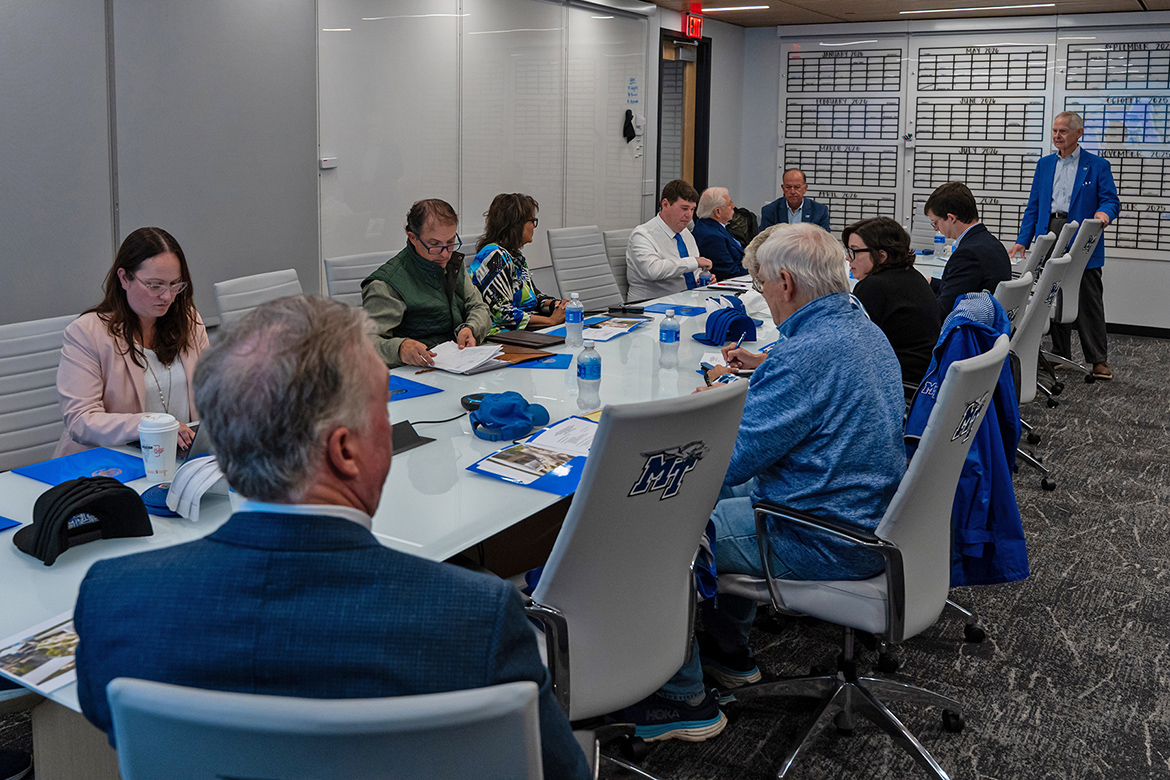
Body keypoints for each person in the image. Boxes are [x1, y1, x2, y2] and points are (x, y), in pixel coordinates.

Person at [73, 295, 590, 780]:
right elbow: (556, 771)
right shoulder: (478, 620)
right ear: (344, 452)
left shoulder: (113, 601)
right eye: (383, 412)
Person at [611, 224, 906, 741]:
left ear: (786, 283)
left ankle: (684, 698)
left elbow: (728, 461)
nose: (761, 296)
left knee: (664, 525)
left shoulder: (804, 356)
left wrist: (649, 449)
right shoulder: (857, 326)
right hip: (869, 512)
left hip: (822, 534)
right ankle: (731, 652)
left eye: (761, 283)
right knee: (720, 499)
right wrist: (765, 377)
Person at [54, 227, 209, 458]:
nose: (167, 296)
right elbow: (80, 420)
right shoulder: (87, 333)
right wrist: (153, 425)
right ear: (124, 278)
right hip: (111, 464)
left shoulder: (188, 320)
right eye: (155, 285)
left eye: (175, 284)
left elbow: (213, 389)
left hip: (181, 460)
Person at [1010, 111, 1119, 381]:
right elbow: (1034, 205)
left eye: (1064, 131)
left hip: (1082, 235)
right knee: (1050, 292)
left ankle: (1098, 360)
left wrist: (1104, 214)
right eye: (1055, 131)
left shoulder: (1096, 165)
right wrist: (1023, 240)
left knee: (1088, 298)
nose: (1057, 136)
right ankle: (1060, 353)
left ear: (1079, 133)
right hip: (1050, 231)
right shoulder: (1045, 165)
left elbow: (1111, 200)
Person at [361, 198, 491, 367]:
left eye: (451, 242)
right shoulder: (386, 284)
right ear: (413, 238)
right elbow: (366, 343)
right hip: (413, 373)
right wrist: (400, 348)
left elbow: (479, 307)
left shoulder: (453, 266)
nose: (445, 254)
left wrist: (471, 328)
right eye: (434, 244)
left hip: (458, 364)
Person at [843, 218, 941, 386]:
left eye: (854, 251)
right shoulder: (912, 275)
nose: (847, 258)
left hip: (899, 384)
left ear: (881, 256)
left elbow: (849, 348)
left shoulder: (874, 287)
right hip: (925, 379)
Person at [468, 193, 567, 333]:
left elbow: (533, 297)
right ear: (516, 224)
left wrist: (556, 306)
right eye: (532, 221)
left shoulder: (515, 256)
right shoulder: (495, 257)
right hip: (501, 335)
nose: (534, 226)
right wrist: (551, 321)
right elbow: (502, 313)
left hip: (522, 332)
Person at [924, 181, 1011, 316]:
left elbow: (943, 311)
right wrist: (931, 283)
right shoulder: (990, 243)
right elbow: (964, 286)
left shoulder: (968, 254)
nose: (935, 228)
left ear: (950, 218)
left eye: (935, 222)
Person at [625, 180, 714, 301]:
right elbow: (653, 270)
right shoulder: (642, 235)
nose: (689, 215)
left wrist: (702, 278)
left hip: (685, 301)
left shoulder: (685, 233)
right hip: (651, 306)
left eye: (692, 209)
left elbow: (693, 270)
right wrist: (693, 262)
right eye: (684, 208)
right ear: (665, 204)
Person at [691, 187, 746, 280]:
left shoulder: (715, 226)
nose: (733, 206)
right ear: (717, 212)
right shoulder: (711, 236)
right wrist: (756, 270)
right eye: (729, 204)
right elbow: (730, 272)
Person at [759, 168, 831, 232]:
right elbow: (764, 241)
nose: (792, 191)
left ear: (805, 188)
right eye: (788, 187)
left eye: (797, 187)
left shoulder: (819, 211)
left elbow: (825, 241)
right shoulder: (769, 211)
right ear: (783, 188)